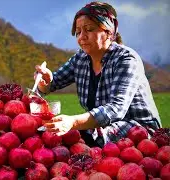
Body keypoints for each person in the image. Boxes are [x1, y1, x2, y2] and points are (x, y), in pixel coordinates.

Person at [35, 1, 161, 147]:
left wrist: (73, 121)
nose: (81, 37)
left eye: (88, 29)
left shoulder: (126, 59)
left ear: (108, 32)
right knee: (61, 137)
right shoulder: (80, 59)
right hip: (103, 128)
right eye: (78, 32)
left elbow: (116, 109)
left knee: (82, 138)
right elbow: (53, 83)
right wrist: (45, 82)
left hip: (140, 130)